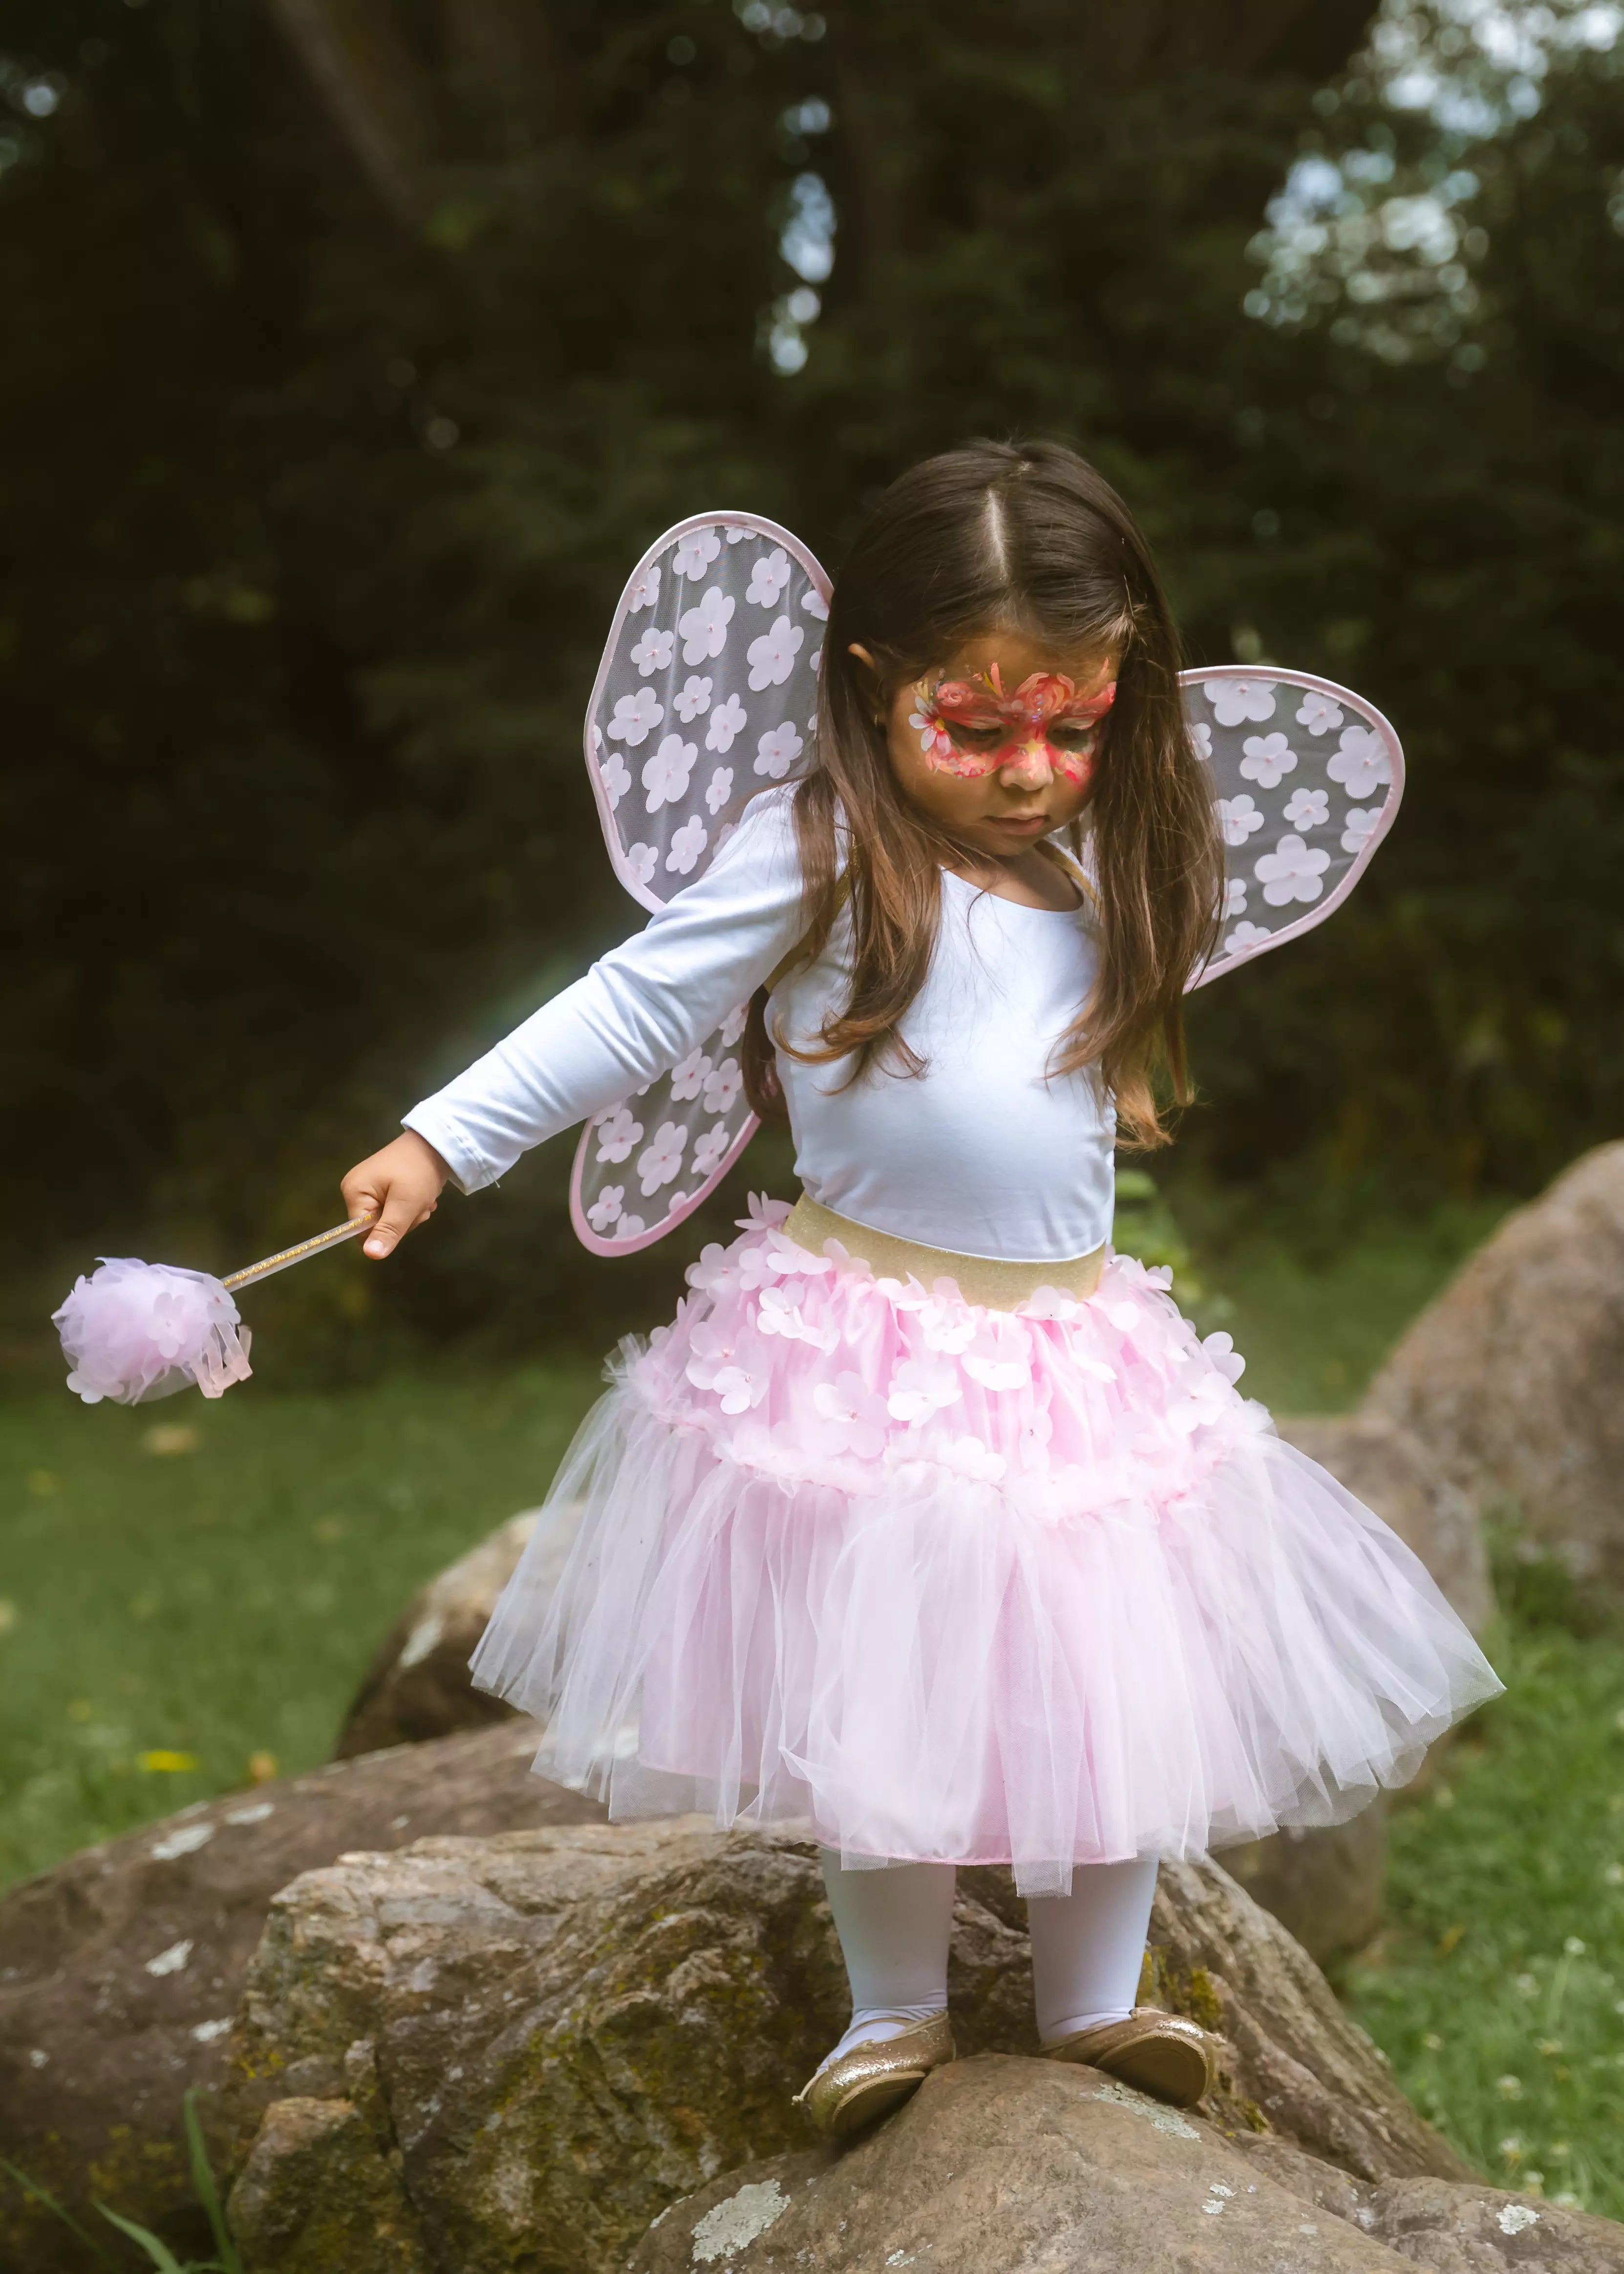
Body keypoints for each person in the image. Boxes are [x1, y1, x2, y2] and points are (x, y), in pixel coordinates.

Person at [340, 440, 1499, 2139]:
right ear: (872, 682)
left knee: (1100, 1674)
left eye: (1075, 725)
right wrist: (446, 1138)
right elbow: (632, 1003)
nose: (1033, 770)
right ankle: (893, 2011)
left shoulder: (1111, 850)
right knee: (880, 1684)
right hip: (864, 1342)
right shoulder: (820, 844)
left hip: (1071, 1345)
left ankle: (1097, 2000)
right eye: (979, 728)